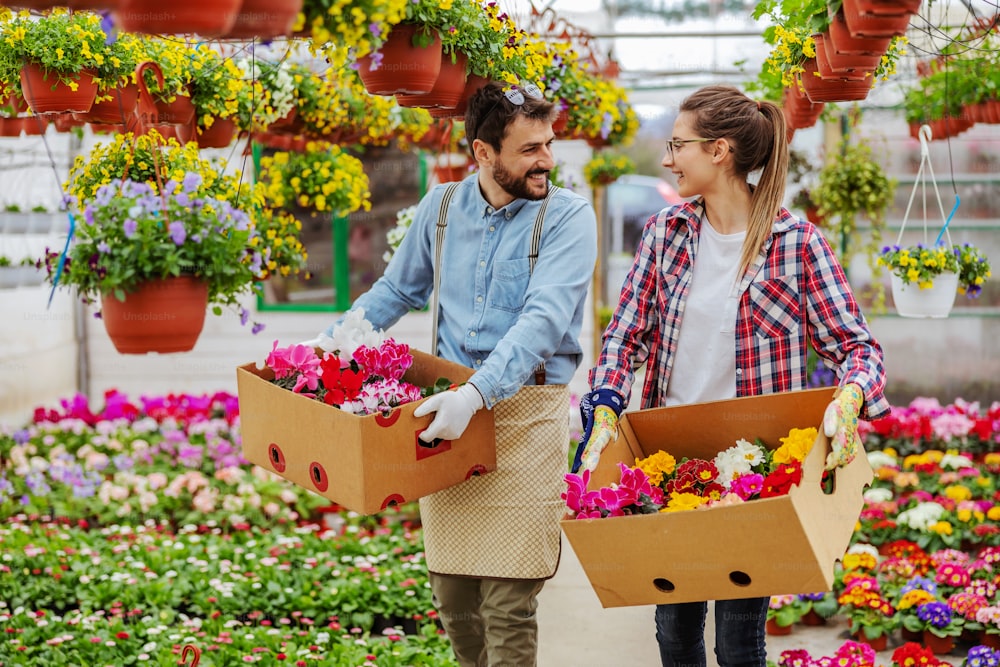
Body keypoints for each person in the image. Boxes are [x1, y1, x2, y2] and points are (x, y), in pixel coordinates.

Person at [571, 85, 889, 667]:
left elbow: (858, 347)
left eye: (677, 145)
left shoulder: (797, 245)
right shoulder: (666, 233)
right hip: (670, 465)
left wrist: (850, 397)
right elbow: (625, 334)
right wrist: (607, 399)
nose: (668, 159)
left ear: (718, 151)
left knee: (739, 643)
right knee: (674, 631)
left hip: (756, 471)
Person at [305, 80, 597, 667]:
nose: (546, 160)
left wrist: (477, 392)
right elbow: (397, 289)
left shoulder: (568, 216)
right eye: (529, 149)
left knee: (510, 603)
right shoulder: (441, 208)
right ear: (484, 154)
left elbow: (542, 321)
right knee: (454, 599)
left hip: (522, 420)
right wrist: (338, 340)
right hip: (448, 420)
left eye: (548, 143)